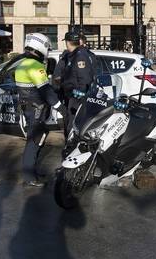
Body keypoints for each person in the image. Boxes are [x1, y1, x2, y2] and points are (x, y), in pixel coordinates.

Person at [15, 32, 66, 187]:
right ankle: (29, 176)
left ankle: (32, 172)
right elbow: (45, 90)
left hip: (28, 108)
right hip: (36, 110)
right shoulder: (35, 66)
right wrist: (60, 107)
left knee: (36, 141)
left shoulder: (22, 64)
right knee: (34, 142)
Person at [57, 31, 97, 140]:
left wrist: (79, 97)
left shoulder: (80, 56)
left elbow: (84, 78)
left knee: (73, 125)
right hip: (72, 96)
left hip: (77, 98)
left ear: (68, 42)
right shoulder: (73, 55)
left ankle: (72, 147)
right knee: (70, 124)